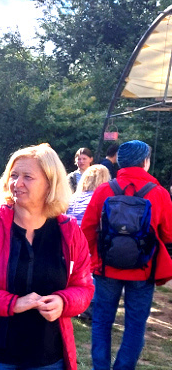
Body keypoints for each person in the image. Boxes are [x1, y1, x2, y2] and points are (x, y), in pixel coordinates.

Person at [0, 143, 94, 370]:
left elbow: (84, 288)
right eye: (14, 175)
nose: (17, 183)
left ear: (50, 183)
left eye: (27, 177)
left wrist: (64, 302)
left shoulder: (70, 231)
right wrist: (11, 303)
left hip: (49, 357)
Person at [80, 140, 172, 370]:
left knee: (101, 322)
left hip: (106, 268)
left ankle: (100, 367)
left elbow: (87, 229)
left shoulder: (104, 190)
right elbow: (168, 234)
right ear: (144, 162)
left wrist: (95, 258)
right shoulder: (159, 193)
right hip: (143, 269)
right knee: (135, 325)